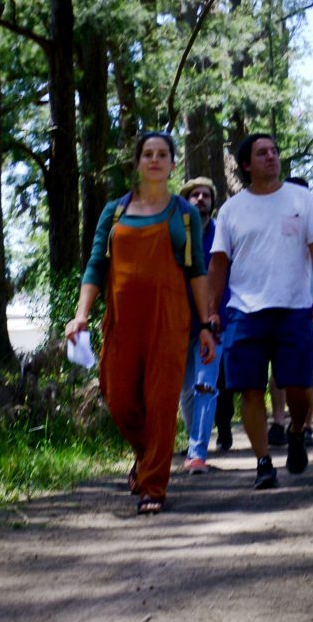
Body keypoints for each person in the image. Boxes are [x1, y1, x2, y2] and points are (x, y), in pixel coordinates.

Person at [63, 132, 218, 514]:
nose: (154, 160)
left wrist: (204, 324)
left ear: (171, 163)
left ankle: (153, 486)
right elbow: (97, 264)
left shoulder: (183, 213)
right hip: (121, 321)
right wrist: (81, 315)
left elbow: (197, 269)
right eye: (147, 154)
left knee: (162, 403)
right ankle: (146, 454)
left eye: (162, 154)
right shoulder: (114, 211)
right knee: (119, 400)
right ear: (137, 163)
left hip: (169, 321)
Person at [207, 133, 313, 490]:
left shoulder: (301, 198)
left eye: (275, 152)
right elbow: (218, 263)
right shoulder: (232, 209)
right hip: (244, 312)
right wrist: (211, 309)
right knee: (248, 389)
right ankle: (263, 462)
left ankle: (295, 431)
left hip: (294, 308)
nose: (271, 157)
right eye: (262, 153)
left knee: (299, 385)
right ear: (246, 164)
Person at [179, 176, 223, 472]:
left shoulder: (222, 236)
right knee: (185, 390)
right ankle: (193, 441)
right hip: (179, 323)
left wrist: (218, 311)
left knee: (205, 385)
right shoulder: (177, 235)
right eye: (194, 195)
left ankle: (197, 453)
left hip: (214, 323)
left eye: (205, 195)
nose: (200, 199)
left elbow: (229, 276)